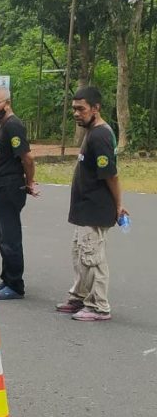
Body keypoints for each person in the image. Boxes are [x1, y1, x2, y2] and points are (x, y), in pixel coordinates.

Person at [55, 86, 128, 321]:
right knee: (80, 255)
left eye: (81, 109)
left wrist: (118, 205)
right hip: (84, 208)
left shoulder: (100, 136)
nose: (76, 113)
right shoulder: (92, 132)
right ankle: (79, 296)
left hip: (96, 208)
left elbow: (111, 175)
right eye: (74, 109)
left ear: (96, 108)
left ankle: (99, 306)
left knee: (93, 259)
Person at [0, 86, 40, 300]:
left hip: (9, 188)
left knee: (10, 237)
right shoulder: (3, 125)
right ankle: (7, 279)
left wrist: (30, 181)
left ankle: (15, 285)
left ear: (7, 103)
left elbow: (27, 158)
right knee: (1, 236)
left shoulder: (13, 125)